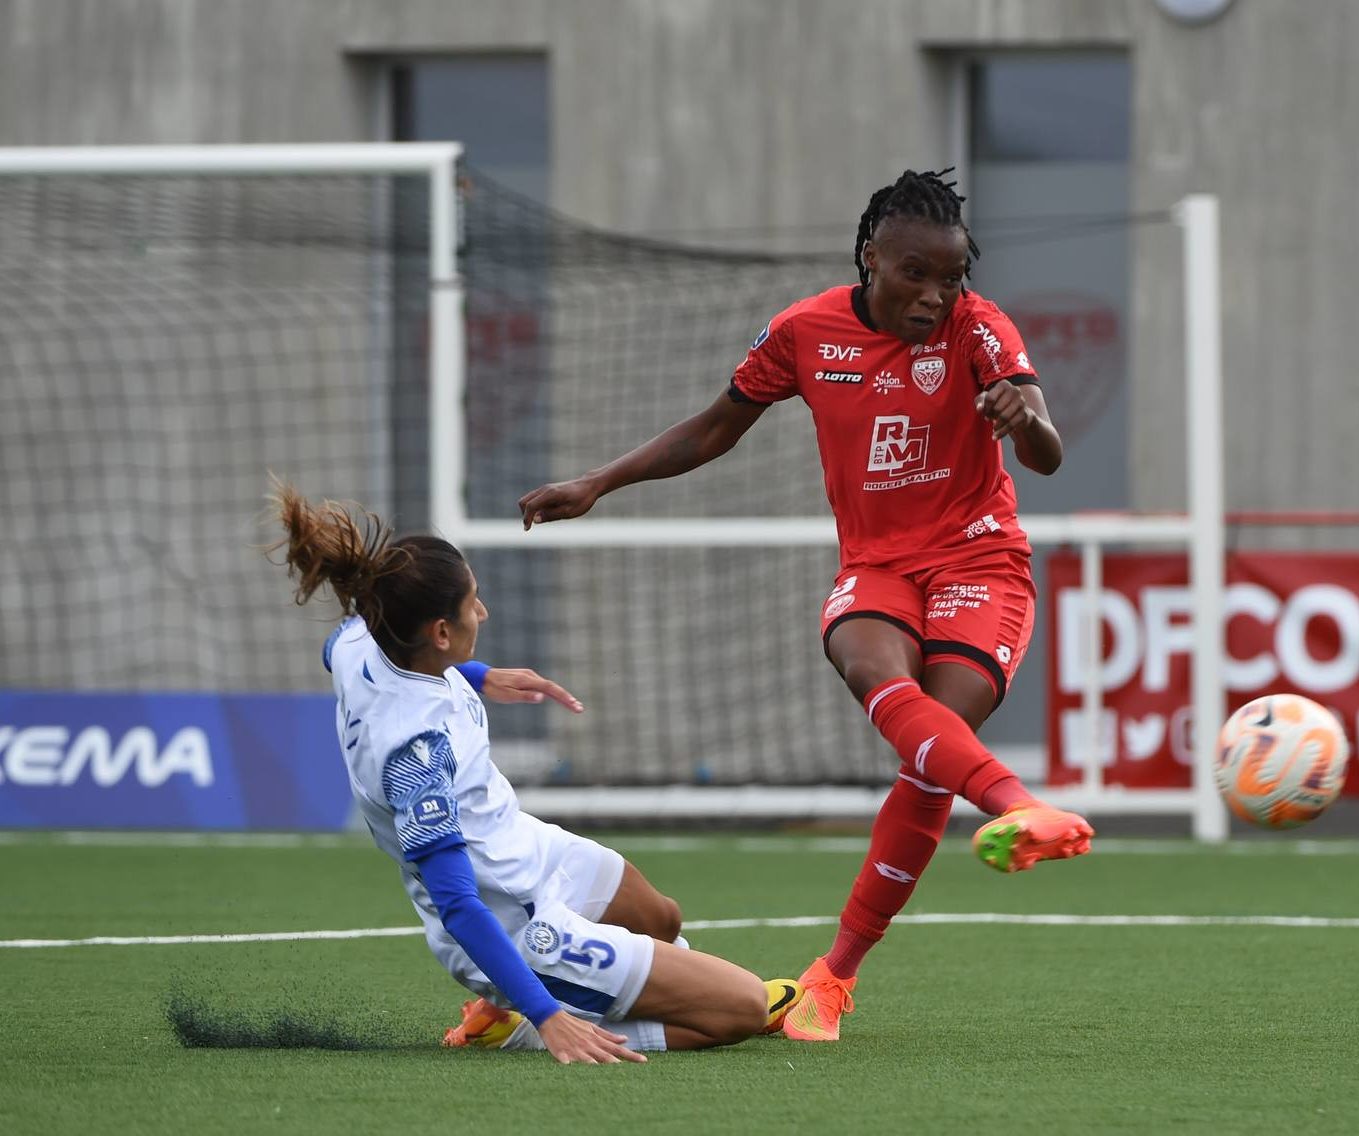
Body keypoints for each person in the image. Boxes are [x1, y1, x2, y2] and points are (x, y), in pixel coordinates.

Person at [517, 169, 1094, 1043]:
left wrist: (1024, 420)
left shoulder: (981, 329)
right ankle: (1017, 804)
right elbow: (712, 428)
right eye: (915, 275)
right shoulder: (804, 331)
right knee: (867, 661)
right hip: (880, 567)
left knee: (932, 750)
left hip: (981, 562)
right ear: (871, 259)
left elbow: (1045, 454)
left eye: (951, 279)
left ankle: (834, 976)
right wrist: (599, 480)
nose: (935, 296)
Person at [267, 479, 803, 1065]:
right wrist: (547, 1017)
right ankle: (520, 1021)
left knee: (662, 916)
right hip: (512, 924)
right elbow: (459, 907)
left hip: (523, 846)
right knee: (743, 1010)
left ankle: (624, 991)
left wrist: (473, 675)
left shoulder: (360, 637)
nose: (483, 610)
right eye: (472, 603)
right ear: (440, 633)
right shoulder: (416, 756)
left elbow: (365, 664)